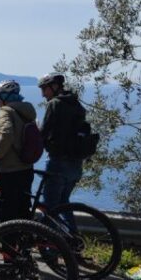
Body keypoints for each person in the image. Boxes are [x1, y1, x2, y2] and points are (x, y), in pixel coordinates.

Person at [38, 73, 85, 228]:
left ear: (55, 86)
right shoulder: (76, 105)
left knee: (49, 206)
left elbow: (44, 133)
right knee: (64, 204)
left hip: (58, 162)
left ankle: (50, 247)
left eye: (44, 88)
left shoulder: (55, 104)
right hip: (76, 164)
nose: (43, 93)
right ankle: (73, 241)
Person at [0, 80, 37, 221]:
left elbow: (7, 131)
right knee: (23, 210)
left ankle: (9, 242)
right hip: (26, 169)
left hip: (8, 171)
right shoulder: (27, 112)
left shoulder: (6, 111)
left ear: (5, 97)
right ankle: (24, 241)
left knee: (6, 213)